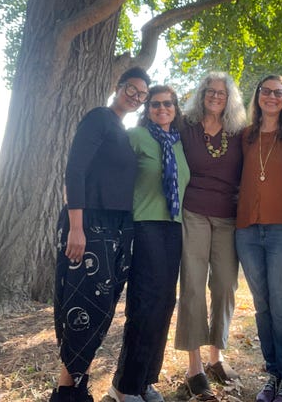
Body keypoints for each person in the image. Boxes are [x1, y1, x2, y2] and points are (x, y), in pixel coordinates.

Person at [50, 67, 151, 402]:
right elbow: (74, 170)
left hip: (117, 229)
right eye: (131, 89)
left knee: (102, 308)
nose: (135, 97)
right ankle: (66, 389)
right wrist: (76, 227)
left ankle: (78, 384)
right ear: (118, 87)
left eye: (142, 95)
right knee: (82, 303)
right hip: (89, 225)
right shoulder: (98, 119)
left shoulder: (123, 130)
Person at [108, 85, 190, 402]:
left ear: (175, 107)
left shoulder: (180, 143)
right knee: (144, 305)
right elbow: (114, 172)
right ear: (148, 109)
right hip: (144, 226)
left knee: (164, 304)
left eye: (167, 103)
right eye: (155, 104)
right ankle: (124, 386)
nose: (162, 108)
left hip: (174, 227)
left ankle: (145, 381)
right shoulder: (137, 136)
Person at [235, 75, 282, 402]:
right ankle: (273, 374)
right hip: (248, 229)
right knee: (263, 306)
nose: (271, 97)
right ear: (257, 97)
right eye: (265, 91)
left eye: (278, 92)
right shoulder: (246, 136)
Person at [174, 72, 246, 401]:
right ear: (202, 94)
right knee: (191, 286)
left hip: (228, 218)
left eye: (222, 93)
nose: (216, 96)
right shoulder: (186, 127)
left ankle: (216, 357)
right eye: (210, 91)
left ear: (229, 99)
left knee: (224, 287)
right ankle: (194, 367)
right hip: (193, 213)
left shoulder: (239, 132)